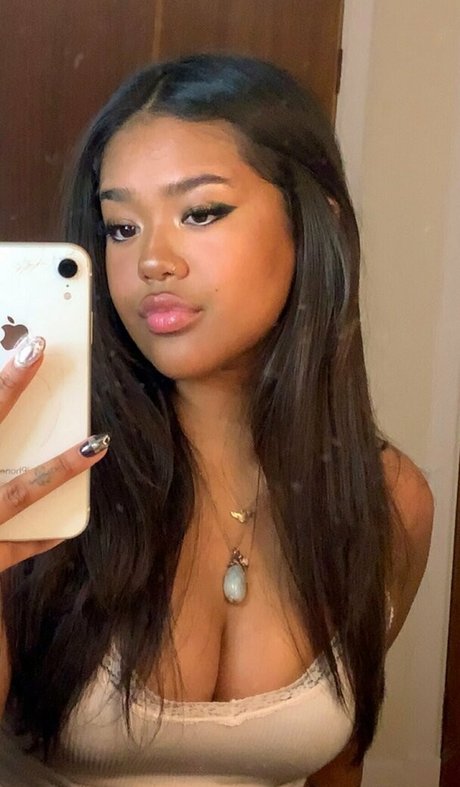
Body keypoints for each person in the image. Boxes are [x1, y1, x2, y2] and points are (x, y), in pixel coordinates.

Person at [0, 54, 433, 786]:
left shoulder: (389, 500)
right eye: (120, 227)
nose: (152, 261)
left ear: (313, 223)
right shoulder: (36, 475)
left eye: (200, 212)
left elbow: (339, 768)